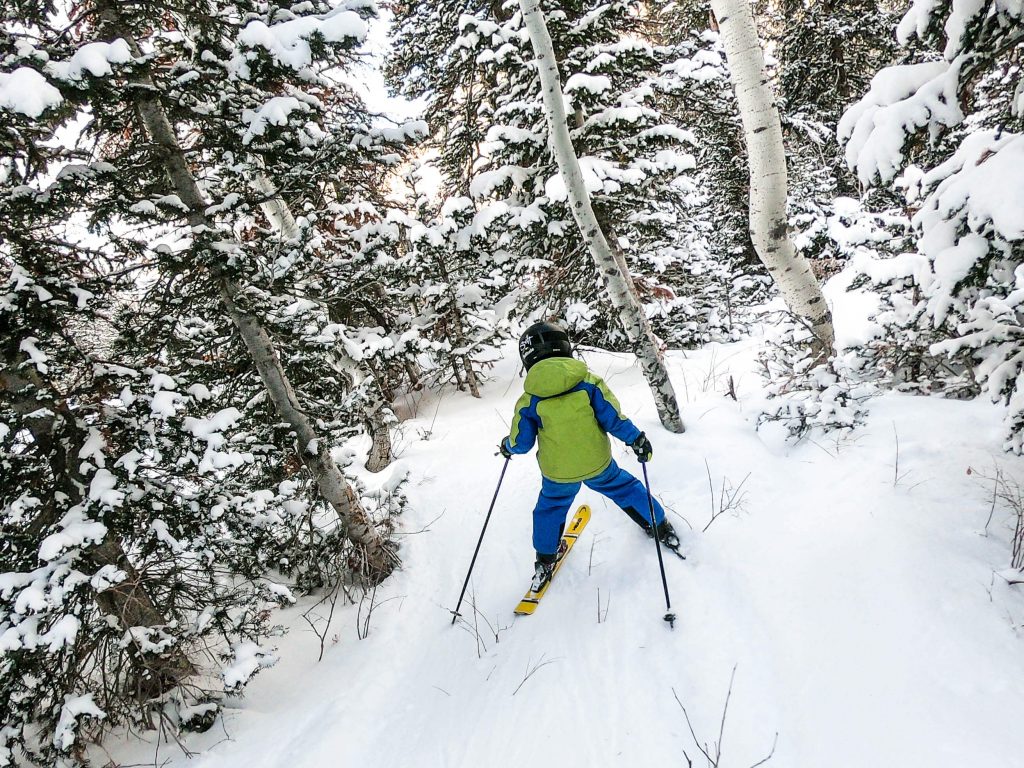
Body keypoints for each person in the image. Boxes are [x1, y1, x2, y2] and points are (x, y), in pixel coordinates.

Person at [499, 321, 679, 591]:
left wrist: (507, 446)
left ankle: (545, 558)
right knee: (624, 487)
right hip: (598, 463)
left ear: (527, 358)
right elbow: (613, 419)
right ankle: (658, 525)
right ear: (564, 347)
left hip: (557, 473)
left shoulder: (530, 399)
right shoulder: (588, 383)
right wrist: (636, 439)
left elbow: (521, 442)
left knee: (550, 507)